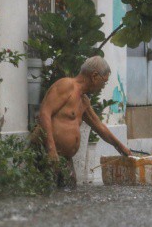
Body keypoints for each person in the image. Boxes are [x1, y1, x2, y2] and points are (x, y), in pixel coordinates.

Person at [30, 56, 131, 187]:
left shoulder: (84, 101)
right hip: (47, 153)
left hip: (64, 159)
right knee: (45, 196)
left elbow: (100, 127)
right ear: (94, 76)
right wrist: (51, 149)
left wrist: (121, 147)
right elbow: (44, 112)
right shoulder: (66, 85)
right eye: (104, 82)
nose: (103, 87)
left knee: (69, 195)